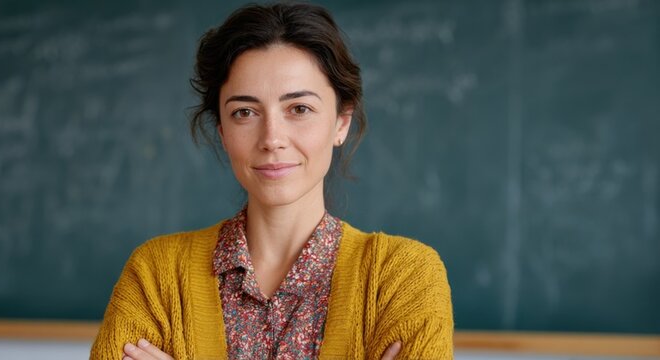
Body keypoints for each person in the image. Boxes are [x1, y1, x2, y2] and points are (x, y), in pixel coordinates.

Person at [90, 3, 453, 359]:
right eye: (244, 112)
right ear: (222, 129)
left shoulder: (403, 278)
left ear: (341, 122)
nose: (272, 138)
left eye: (299, 109)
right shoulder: (157, 274)